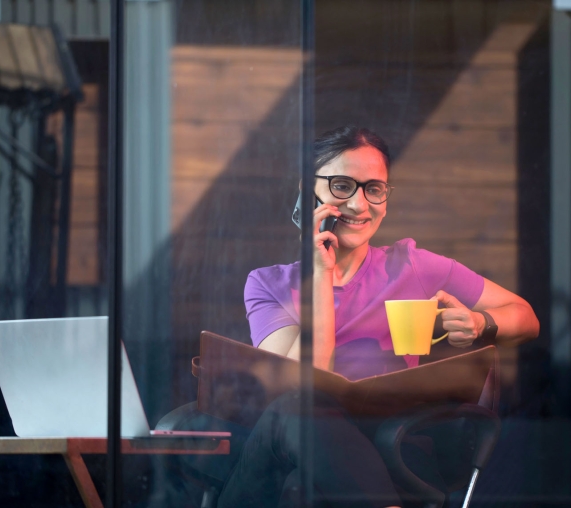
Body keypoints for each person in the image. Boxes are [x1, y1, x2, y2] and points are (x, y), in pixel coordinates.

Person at [190, 125, 539, 508]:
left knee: (302, 485)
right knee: (296, 411)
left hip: (390, 448)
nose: (359, 205)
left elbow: (525, 316)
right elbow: (301, 381)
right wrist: (322, 275)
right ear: (311, 191)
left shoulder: (414, 267)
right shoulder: (270, 284)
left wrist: (481, 323)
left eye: (374, 189)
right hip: (285, 449)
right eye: (342, 185)